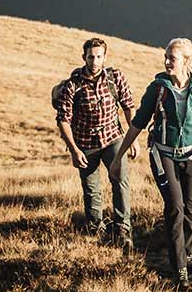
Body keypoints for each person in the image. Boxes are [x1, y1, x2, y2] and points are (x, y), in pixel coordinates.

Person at [111, 37, 192, 288]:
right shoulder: (157, 87)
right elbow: (138, 122)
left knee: (190, 208)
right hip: (163, 155)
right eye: (166, 57)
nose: (166, 61)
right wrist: (119, 157)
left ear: (186, 62)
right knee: (175, 207)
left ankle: (187, 253)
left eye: (171, 57)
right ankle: (179, 270)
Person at [55, 37, 138, 250]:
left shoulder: (115, 78)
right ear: (84, 57)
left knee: (120, 181)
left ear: (105, 57)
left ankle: (122, 230)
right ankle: (96, 230)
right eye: (91, 57)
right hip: (85, 143)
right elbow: (63, 119)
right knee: (91, 189)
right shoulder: (72, 85)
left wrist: (133, 139)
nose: (94, 61)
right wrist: (74, 150)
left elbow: (128, 106)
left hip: (113, 138)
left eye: (99, 56)